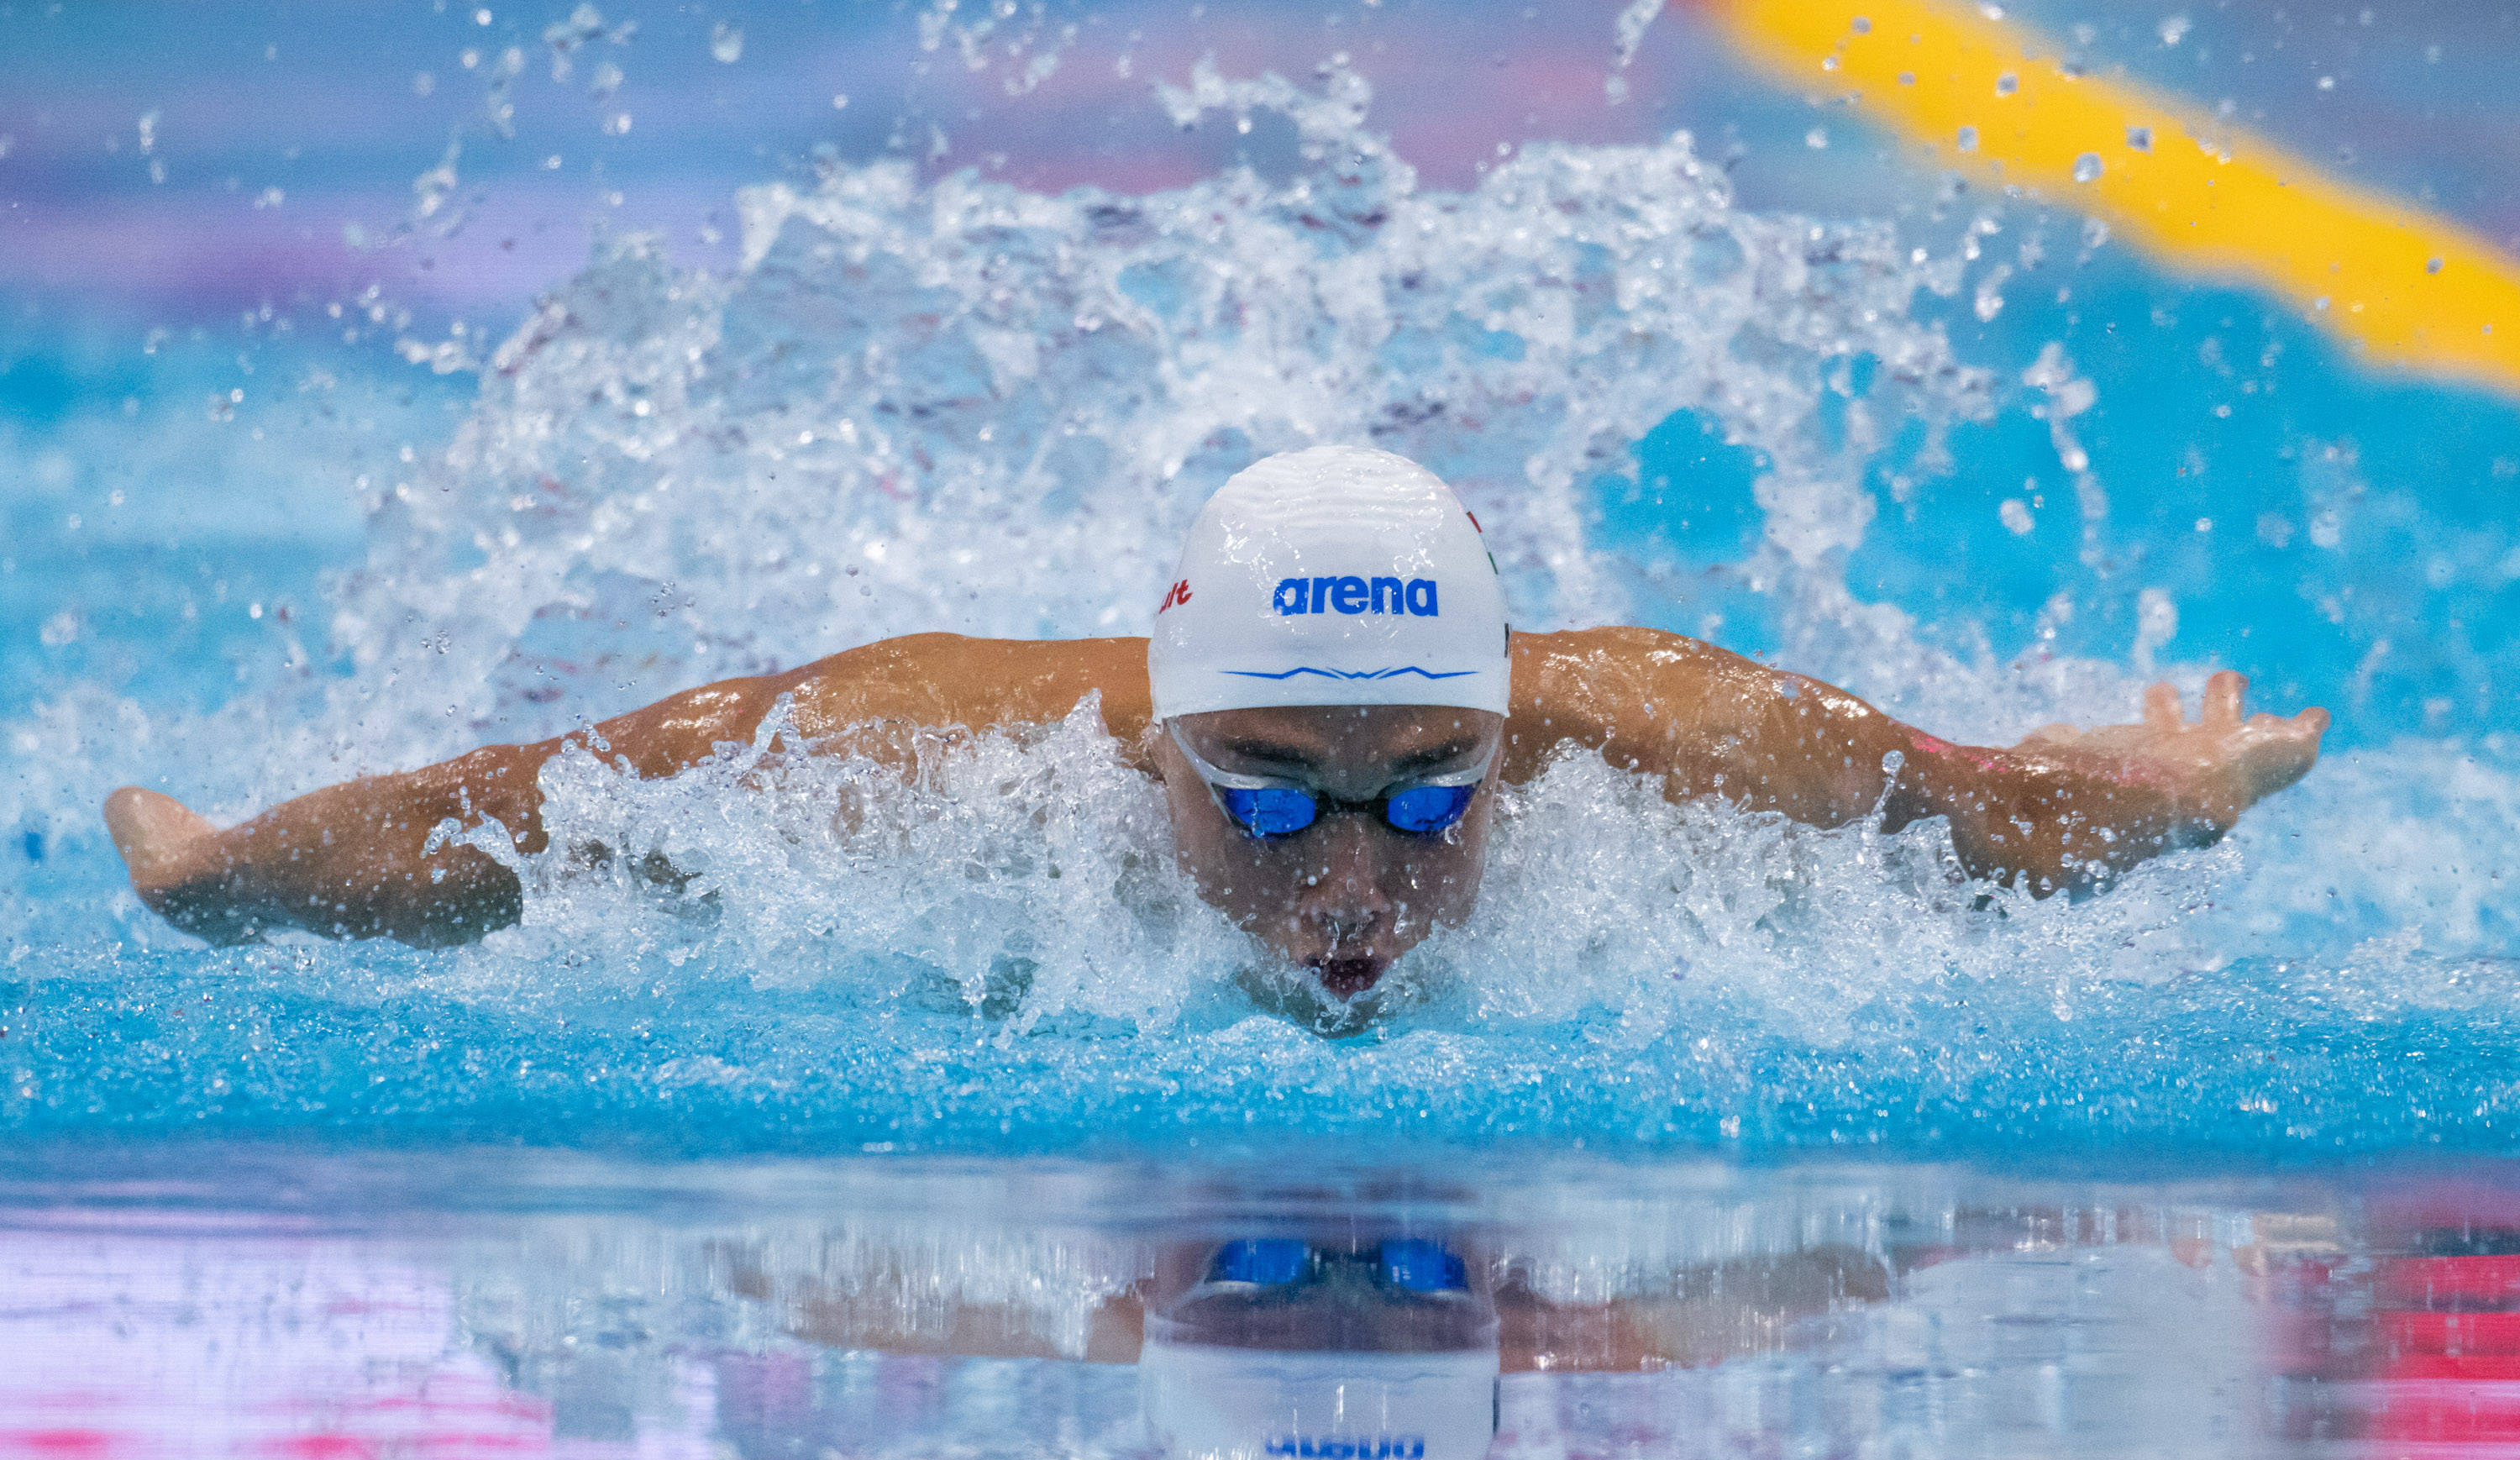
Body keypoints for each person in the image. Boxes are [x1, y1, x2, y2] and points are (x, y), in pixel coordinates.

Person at [103, 444, 2328, 1000]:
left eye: (1430, 791)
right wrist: (226, 875)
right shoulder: (918, 755)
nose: (1354, 879)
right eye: (1266, 805)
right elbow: (514, 827)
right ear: (1158, 744)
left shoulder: (1664, 735)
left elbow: (1974, 818)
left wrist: (2180, 793)